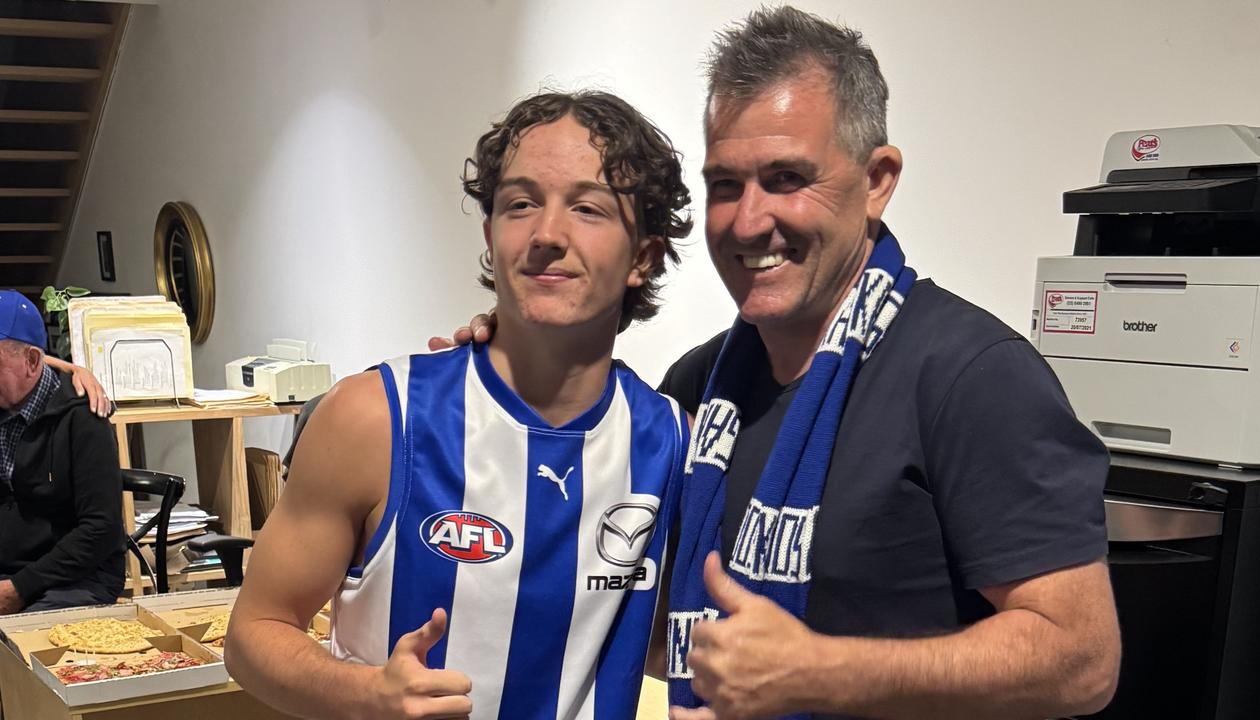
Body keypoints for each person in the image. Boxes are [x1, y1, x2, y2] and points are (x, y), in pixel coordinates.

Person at [441, 8, 1122, 720]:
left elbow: (1079, 657)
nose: (747, 220)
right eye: (727, 185)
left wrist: (826, 670)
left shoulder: (972, 376)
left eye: (787, 178)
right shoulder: (699, 390)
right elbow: (641, 620)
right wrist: (504, 372)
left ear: (878, 180)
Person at [225, 91, 692, 720]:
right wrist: (366, 695)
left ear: (643, 257)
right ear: (491, 233)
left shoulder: (672, 443)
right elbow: (252, 635)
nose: (546, 234)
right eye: (520, 204)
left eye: (587, 208)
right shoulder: (375, 419)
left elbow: (671, 643)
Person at [0, 290, 125, 614]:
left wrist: (21, 587)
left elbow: (100, 528)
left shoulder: (82, 417)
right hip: (11, 574)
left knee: (27, 643)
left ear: (30, 361)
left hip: (74, 580)